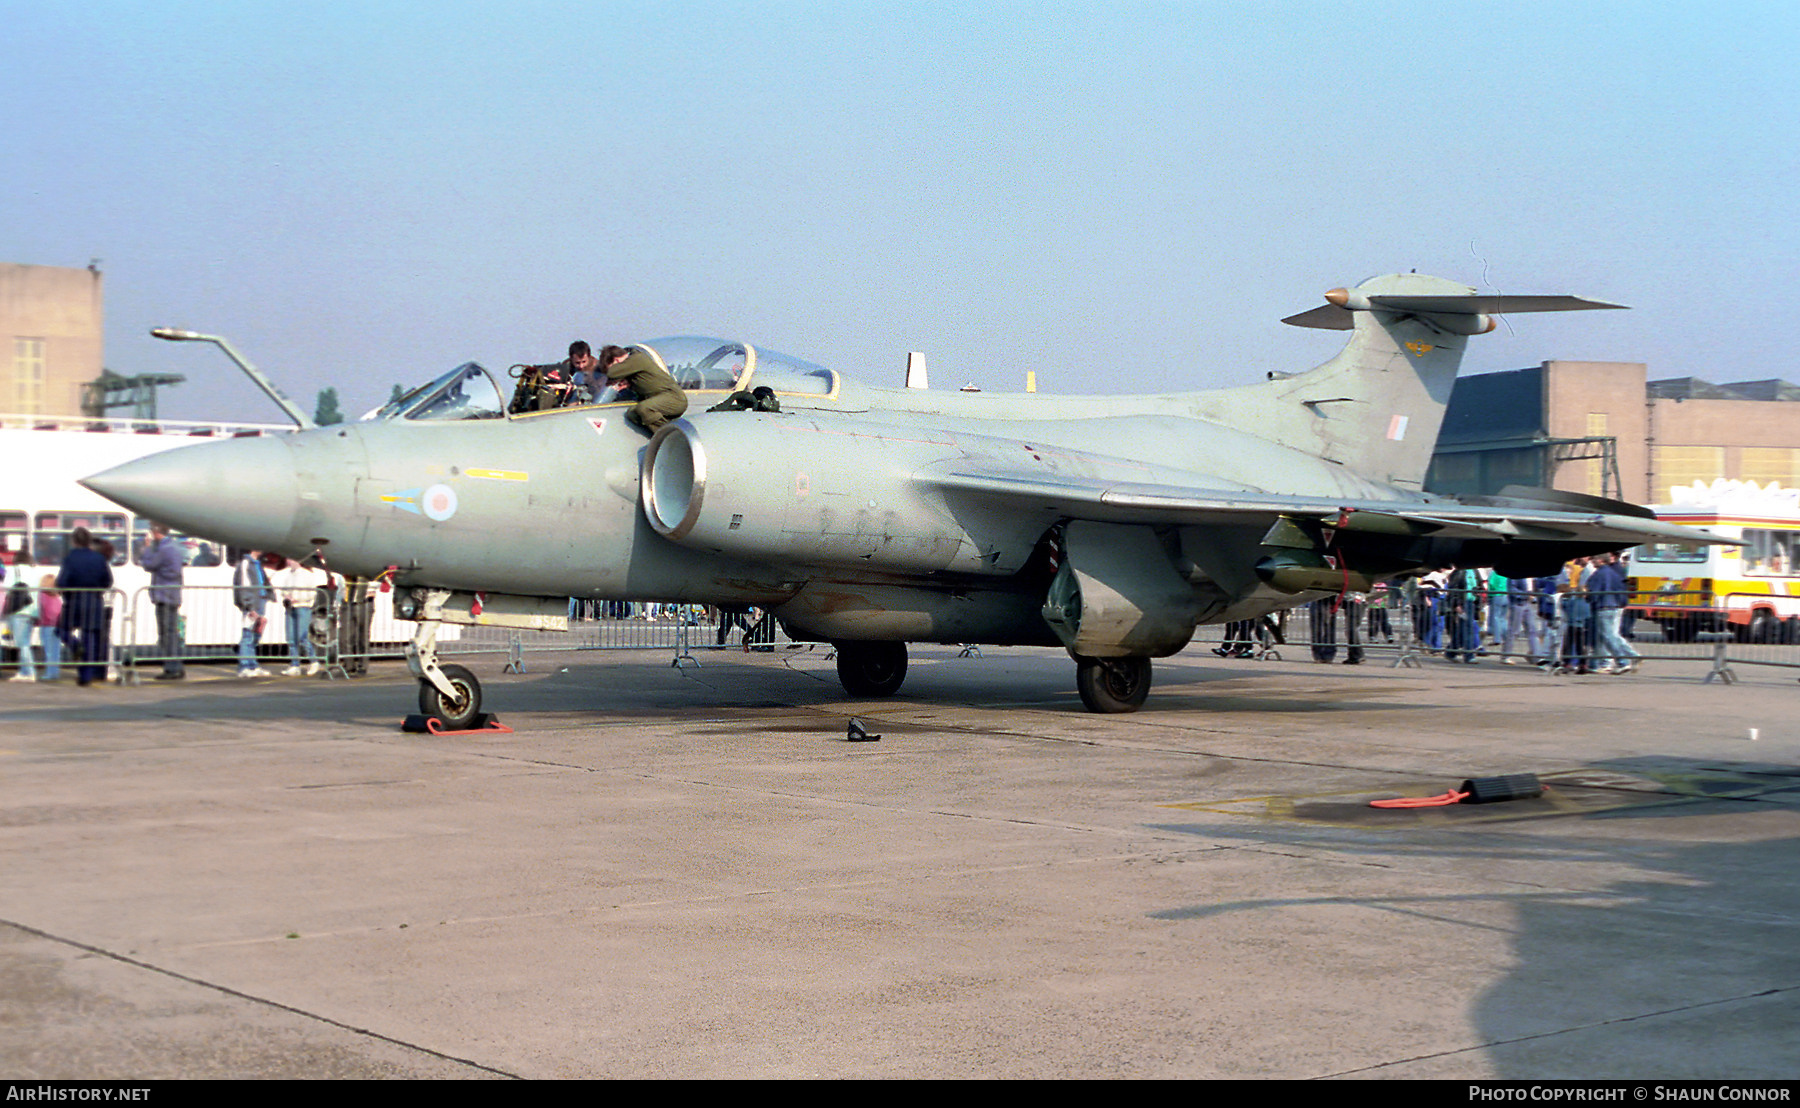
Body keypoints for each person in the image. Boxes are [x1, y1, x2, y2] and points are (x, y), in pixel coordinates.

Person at [55, 526, 112, 686]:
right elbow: (107, 581)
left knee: (61, 630)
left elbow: (63, 581)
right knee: (90, 638)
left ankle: (74, 644)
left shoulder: (70, 558)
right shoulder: (99, 558)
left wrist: (66, 591)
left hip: (74, 601)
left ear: (74, 541)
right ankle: (85, 676)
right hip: (94, 601)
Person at [598, 344, 687, 432]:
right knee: (632, 414)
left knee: (644, 409)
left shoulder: (637, 358)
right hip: (661, 399)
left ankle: (670, 437)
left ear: (616, 361)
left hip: (674, 398)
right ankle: (657, 435)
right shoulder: (633, 368)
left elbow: (611, 373)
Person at [137, 522, 186, 680]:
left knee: (166, 634)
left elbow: (149, 564)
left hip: (164, 596)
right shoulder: (174, 547)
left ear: (156, 532)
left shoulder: (164, 549)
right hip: (172, 595)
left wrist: (146, 548)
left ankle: (172, 668)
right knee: (171, 633)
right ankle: (176, 666)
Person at [275, 554, 327, 676]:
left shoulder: (307, 574)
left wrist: (297, 598)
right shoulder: (288, 575)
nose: (288, 560)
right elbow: (283, 590)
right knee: (291, 637)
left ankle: (313, 661)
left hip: (303, 607)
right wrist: (287, 596)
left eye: (290, 558)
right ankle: (294, 664)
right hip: (290, 608)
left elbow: (311, 593)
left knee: (302, 636)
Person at [510, 341, 597, 413]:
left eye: (584, 362)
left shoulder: (598, 370)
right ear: (571, 358)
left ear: (589, 357)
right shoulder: (565, 369)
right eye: (577, 363)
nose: (581, 366)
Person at [232, 549, 275, 678]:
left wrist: (269, 594)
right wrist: (249, 606)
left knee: (254, 636)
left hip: (260, 602)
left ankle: (252, 665)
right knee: (247, 635)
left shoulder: (257, 563)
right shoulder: (246, 563)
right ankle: (244, 666)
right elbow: (244, 586)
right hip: (253, 604)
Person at [5, 550, 39, 681]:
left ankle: (28, 672)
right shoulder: (34, 572)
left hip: (19, 610)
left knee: (22, 643)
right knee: (25, 641)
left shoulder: (14, 570)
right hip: (32, 611)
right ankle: (24, 670)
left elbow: (7, 587)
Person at [36, 575, 62, 682]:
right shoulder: (57, 597)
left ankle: (49, 673)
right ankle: (54, 672)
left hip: (46, 625)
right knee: (56, 651)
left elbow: (40, 610)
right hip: (57, 625)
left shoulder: (42, 596)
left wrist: (37, 622)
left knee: (49, 651)